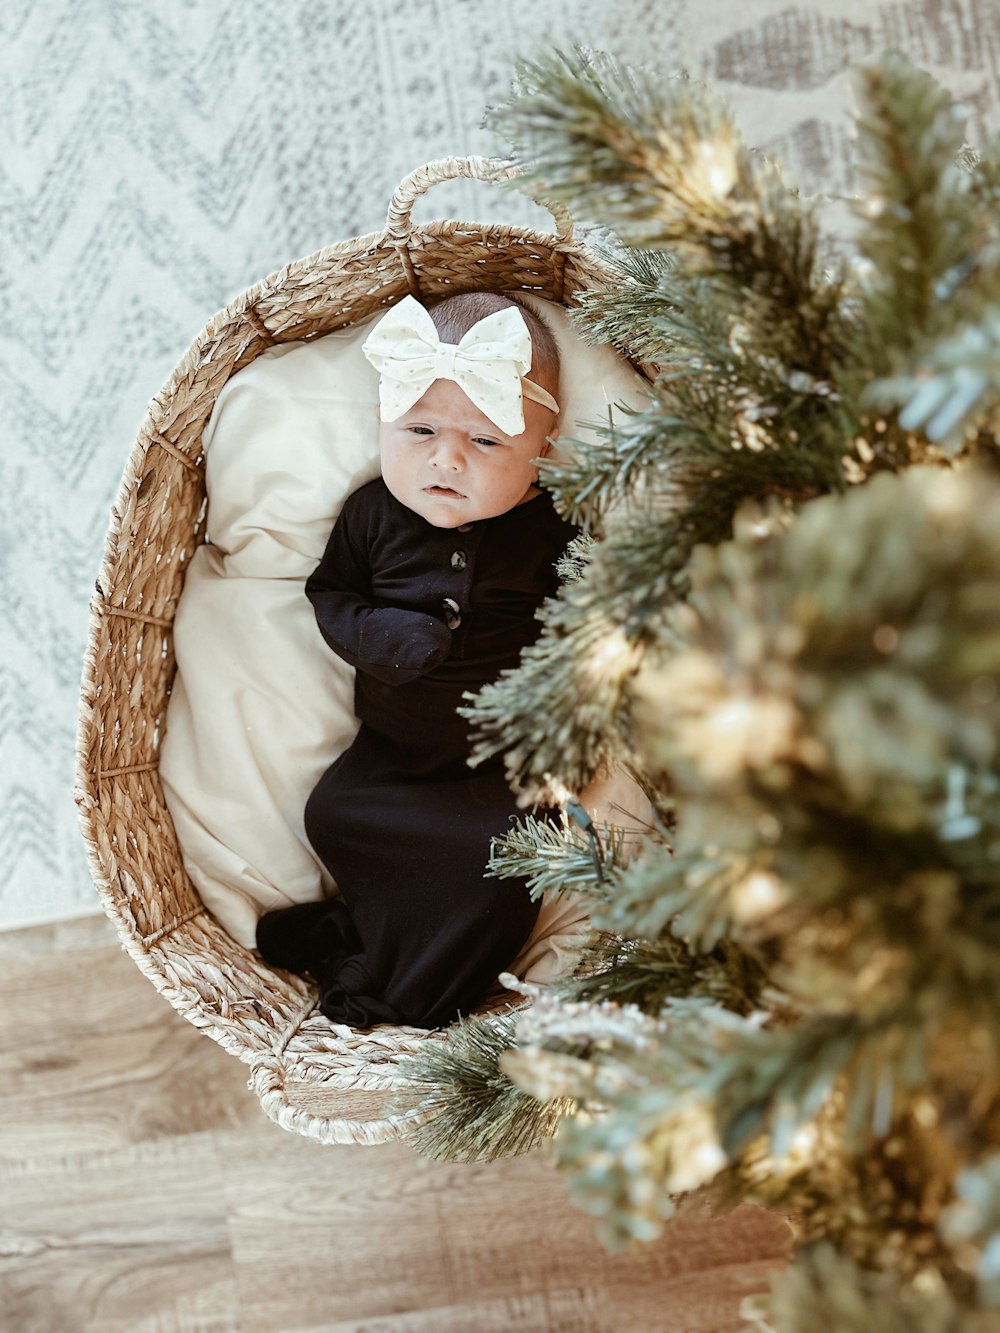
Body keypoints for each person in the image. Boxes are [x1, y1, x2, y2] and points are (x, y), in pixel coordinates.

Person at [255, 292, 579, 1029]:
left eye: (487, 442)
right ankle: (362, 936)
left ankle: (386, 984)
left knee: (501, 866)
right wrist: (378, 634)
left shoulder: (550, 530)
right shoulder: (371, 515)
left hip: (495, 776)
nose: (447, 457)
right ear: (383, 424)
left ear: (545, 456)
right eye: (420, 429)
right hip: (391, 762)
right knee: (331, 811)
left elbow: (585, 620)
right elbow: (329, 593)